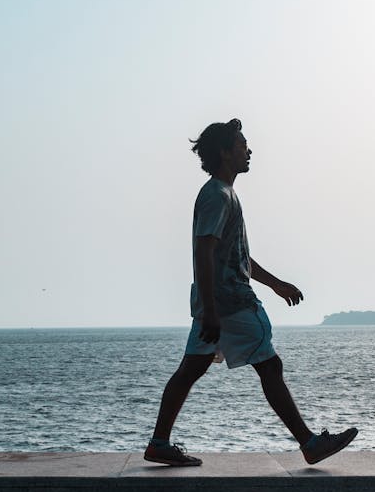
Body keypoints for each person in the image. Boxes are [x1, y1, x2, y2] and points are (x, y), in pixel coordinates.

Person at [144, 118, 358, 466]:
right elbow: (204, 252)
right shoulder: (217, 195)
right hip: (231, 304)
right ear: (226, 153)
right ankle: (309, 443)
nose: (249, 151)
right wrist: (213, 310)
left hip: (216, 303)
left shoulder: (223, 194)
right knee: (270, 366)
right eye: (243, 145)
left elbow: (235, 254)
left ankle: (158, 443)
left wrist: (274, 283)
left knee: (190, 370)